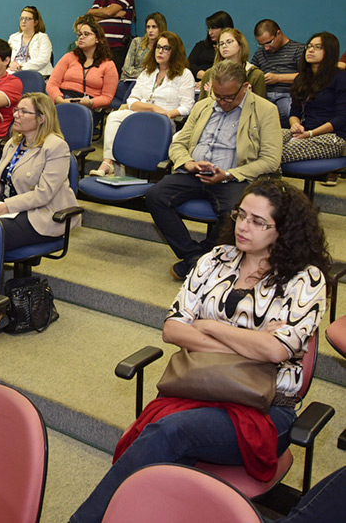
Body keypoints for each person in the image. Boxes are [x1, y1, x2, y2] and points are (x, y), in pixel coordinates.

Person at [70, 178, 329, 523]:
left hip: (265, 408)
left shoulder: (305, 279)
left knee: (170, 433)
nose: (243, 226)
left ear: (284, 230)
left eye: (257, 221)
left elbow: (276, 352)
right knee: (164, 440)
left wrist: (209, 326)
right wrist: (248, 341)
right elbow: (173, 328)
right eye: (241, 215)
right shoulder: (216, 259)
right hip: (200, 386)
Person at [145, 60, 281, 280]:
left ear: (245, 87)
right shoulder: (204, 106)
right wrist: (188, 163)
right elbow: (178, 144)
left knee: (234, 213)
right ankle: (195, 257)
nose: (222, 102)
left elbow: (271, 160)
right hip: (196, 171)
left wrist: (228, 174)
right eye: (217, 96)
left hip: (234, 177)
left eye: (228, 97)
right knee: (155, 195)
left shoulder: (265, 110)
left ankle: (202, 256)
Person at [0, 92, 81, 251]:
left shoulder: (56, 146)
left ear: (41, 118)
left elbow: (43, 194)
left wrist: (4, 207)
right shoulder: (14, 142)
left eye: (23, 111)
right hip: (9, 204)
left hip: (40, 214)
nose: (16, 115)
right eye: (17, 110)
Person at [90, 32, 196, 177]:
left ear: (175, 52)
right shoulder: (147, 72)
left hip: (165, 119)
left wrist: (166, 114)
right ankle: (108, 162)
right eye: (158, 47)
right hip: (140, 114)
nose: (160, 51)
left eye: (166, 48)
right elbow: (132, 100)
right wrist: (151, 108)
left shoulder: (184, 75)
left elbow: (187, 106)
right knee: (115, 116)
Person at [283, 32, 346, 166]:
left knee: (275, 153)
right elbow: (294, 112)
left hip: (333, 137)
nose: (311, 50)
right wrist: (295, 124)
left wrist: (310, 134)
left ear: (329, 52)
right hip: (304, 131)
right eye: (309, 46)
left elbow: (341, 118)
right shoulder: (301, 79)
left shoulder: (340, 78)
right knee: (260, 143)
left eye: (318, 47)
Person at [47, 15, 119, 110]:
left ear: (98, 39)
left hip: (89, 105)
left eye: (86, 34)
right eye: (80, 34)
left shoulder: (108, 65)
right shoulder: (69, 57)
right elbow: (52, 84)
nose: (81, 37)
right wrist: (60, 100)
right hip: (63, 98)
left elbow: (107, 97)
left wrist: (90, 102)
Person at [251, 19, 306, 124]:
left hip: (288, 93)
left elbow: (307, 76)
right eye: (261, 45)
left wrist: (277, 78)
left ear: (279, 33)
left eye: (269, 42)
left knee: (286, 111)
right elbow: (252, 73)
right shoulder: (259, 53)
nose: (266, 48)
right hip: (264, 94)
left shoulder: (298, 49)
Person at [87, 0, 135, 73]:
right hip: (99, 48)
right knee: (95, 78)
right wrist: (115, 14)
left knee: (113, 80)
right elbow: (90, 18)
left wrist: (107, 12)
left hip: (118, 48)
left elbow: (109, 11)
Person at [198, 28, 267, 100]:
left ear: (240, 44)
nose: (224, 46)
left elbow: (261, 105)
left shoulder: (255, 75)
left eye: (229, 42)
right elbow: (202, 105)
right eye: (221, 44)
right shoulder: (209, 74)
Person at [7, 6, 54, 78]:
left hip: (37, 76)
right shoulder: (13, 37)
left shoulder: (42, 38)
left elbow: (43, 59)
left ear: (35, 22)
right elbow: (5, 57)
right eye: (22, 18)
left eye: (28, 18)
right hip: (13, 75)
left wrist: (21, 67)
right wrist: (9, 63)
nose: (23, 21)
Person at [188, 11, 233, 82]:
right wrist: (205, 76)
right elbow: (189, 65)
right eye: (209, 28)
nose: (210, 32)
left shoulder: (230, 49)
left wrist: (209, 79)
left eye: (213, 28)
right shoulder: (201, 46)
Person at [120, 12, 166, 82]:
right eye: (148, 27)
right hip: (129, 81)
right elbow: (126, 69)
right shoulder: (136, 42)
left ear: (161, 28)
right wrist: (146, 74)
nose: (150, 30)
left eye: (154, 27)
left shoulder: (164, 48)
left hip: (150, 83)